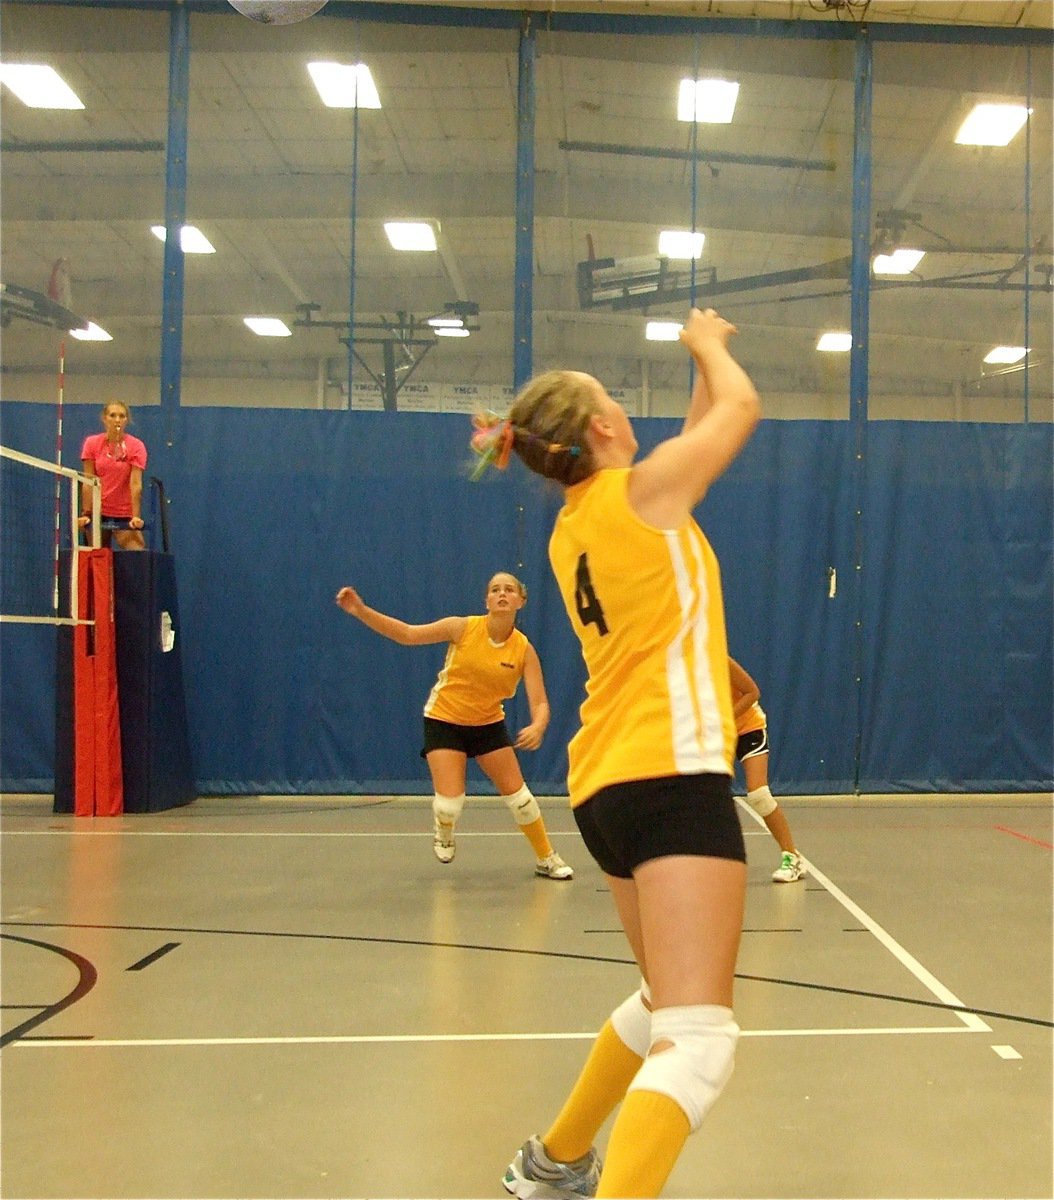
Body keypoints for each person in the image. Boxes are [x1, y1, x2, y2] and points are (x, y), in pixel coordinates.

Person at [477, 306, 760, 1199]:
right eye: (613, 402)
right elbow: (739, 409)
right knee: (701, 1038)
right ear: (602, 427)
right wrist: (710, 348)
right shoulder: (643, 494)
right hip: (670, 774)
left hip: (606, 786)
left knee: (659, 1005)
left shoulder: (578, 526)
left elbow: (694, 439)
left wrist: (697, 365)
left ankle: (553, 1162)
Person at [335, 572, 574, 880]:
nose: (502, 594)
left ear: (520, 601)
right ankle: (444, 829)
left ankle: (546, 858)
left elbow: (540, 702)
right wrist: (361, 611)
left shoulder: (524, 650)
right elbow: (407, 634)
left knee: (522, 801)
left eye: (509, 590)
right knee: (450, 805)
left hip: (488, 724)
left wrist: (539, 726)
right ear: (486, 600)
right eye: (495, 589)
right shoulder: (461, 628)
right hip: (444, 720)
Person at [728, 655, 807, 883]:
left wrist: (725, 719)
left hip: (748, 728)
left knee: (759, 795)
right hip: (718, 734)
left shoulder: (719, 661)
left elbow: (753, 692)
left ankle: (791, 856)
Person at [76, 401, 147, 550]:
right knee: (99, 561)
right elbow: (88, 481)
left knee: (136, 553)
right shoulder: (92, 443)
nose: (117, 420)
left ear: (127, 420)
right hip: (98, 512)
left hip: (124, 514)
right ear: (104, 418)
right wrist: (86, 513)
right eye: (112, 415)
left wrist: (135, 516)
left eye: (121, 416)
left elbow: (136, 485)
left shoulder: (136, 446)